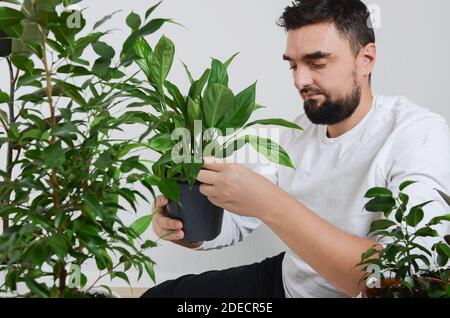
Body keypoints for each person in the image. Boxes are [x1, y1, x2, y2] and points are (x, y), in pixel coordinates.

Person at [141, 0, 450, 298]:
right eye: (293, 65)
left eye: (317, 63)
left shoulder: (418, 134)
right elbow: (234, 223)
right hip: (287, 281)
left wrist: (270, 204)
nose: (301, 80)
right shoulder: (297, 132)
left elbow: (399, 277)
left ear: (365, 60)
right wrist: (183, 228)